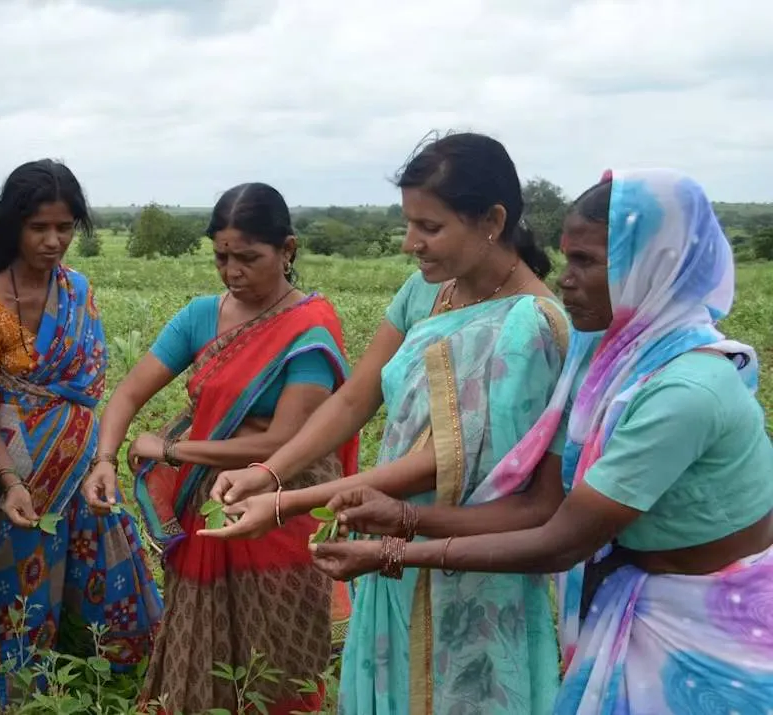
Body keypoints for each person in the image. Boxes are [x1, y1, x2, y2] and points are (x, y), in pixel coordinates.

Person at [311, 169, 773, 713]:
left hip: (712, 628)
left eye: (588, 262)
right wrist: (403, 517)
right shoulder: (607, 361)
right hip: (638, 599)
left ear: (655, 268)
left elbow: (562, 541)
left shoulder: (684, 390)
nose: (566, 280)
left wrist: (393, 552)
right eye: (568, 258)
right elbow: (540, 505)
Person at [200, 133, 572, 714]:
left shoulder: (531, 325)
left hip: (469, 555)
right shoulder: (427, 293)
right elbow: (354, 400)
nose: (410, 243)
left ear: (493, 220)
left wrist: (291, 504)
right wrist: (268, 473)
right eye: (408, 224)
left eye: (429, 227)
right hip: (392, 541)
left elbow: (450, 459)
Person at [79, 182, 357, 713]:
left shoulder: (309, 328)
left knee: (275, 655)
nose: (232, 272)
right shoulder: (202, 316)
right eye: (222, 257)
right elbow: (130, 392)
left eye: (248, 258)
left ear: (288, 250)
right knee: (200, 647)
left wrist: (173, 450)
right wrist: (105, 458)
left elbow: (284, 440)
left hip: (281, 504)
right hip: (213, 507)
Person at [0, 159, 163, 703]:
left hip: (84, 478)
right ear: (13, 227)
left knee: (105, 603)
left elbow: (90, 391)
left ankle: (113, 697)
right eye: (39, 228)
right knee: (23, 613)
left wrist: (103, 462)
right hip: (20, 488)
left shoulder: (77, 289)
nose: (54, 241)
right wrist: (10, 483)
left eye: (65, 227)